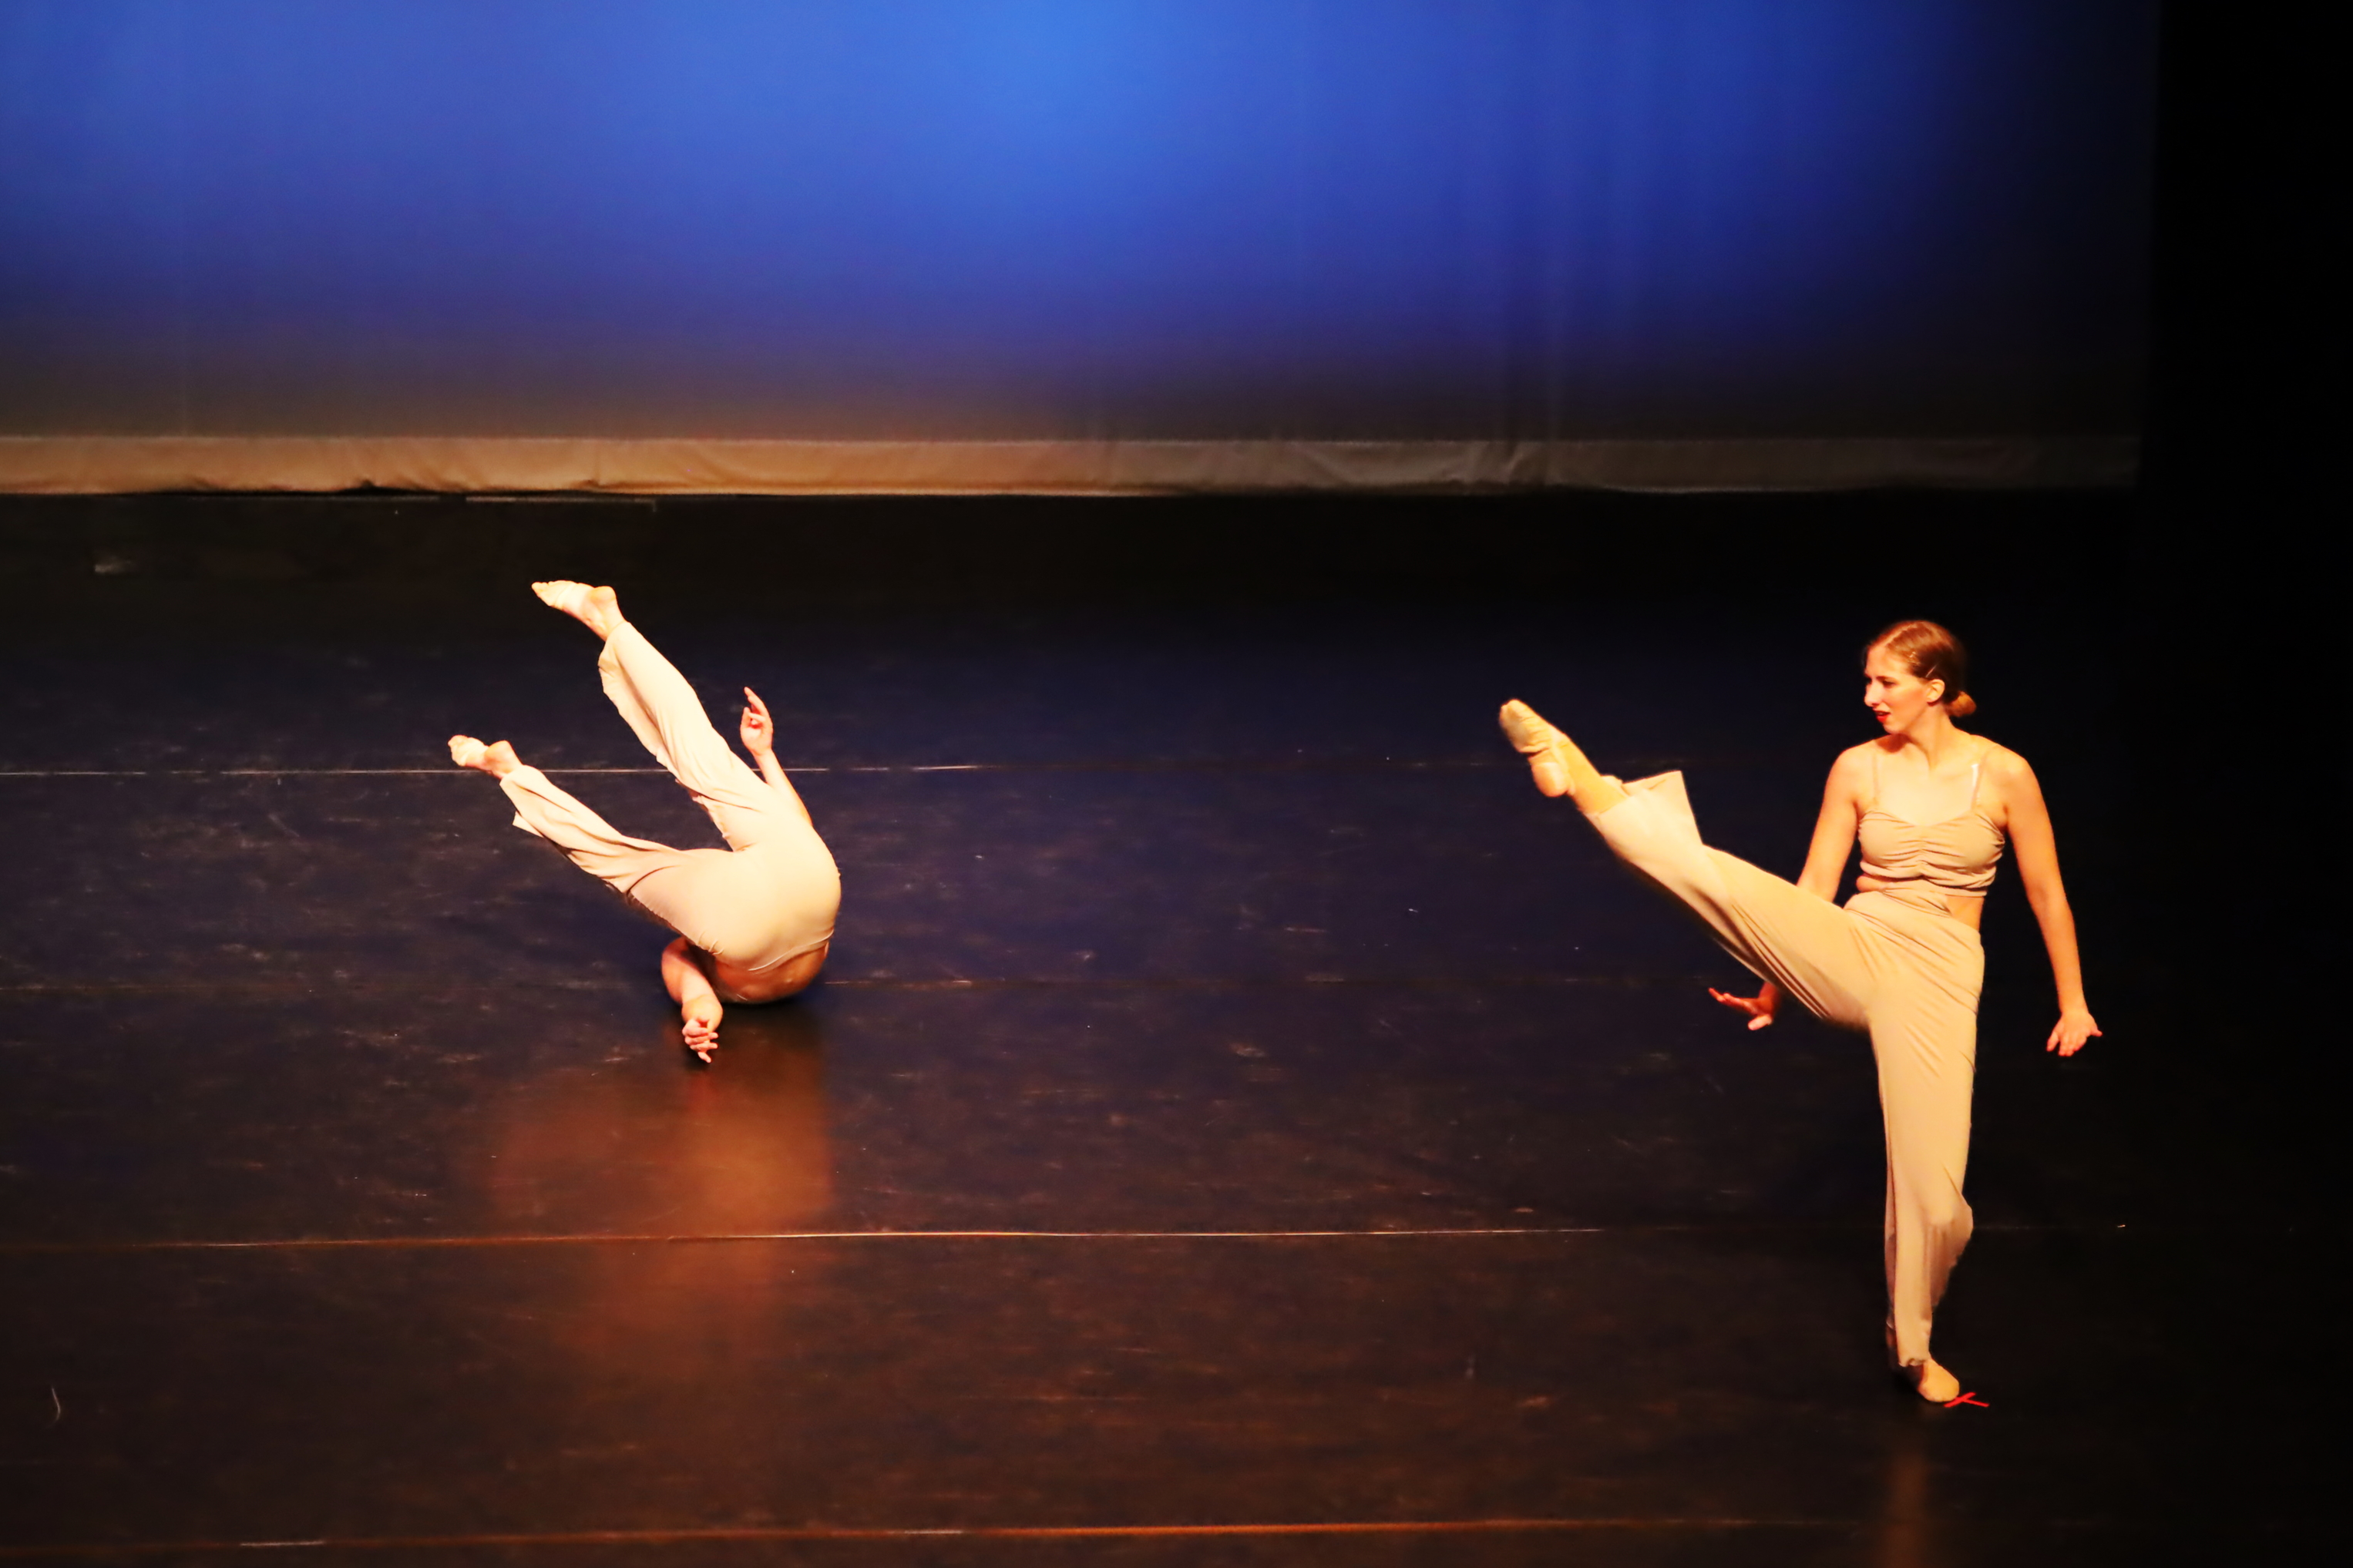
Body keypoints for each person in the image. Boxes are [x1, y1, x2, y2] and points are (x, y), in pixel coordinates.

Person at [1499, 619, 2097, 1403]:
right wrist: (1773, 980)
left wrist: (2072, 1002)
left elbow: (2046, 892)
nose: (1869, 695)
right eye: (1867, 679)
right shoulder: (1856, 766)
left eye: (1885, 681)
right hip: (1857, 941)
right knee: (1717, 878)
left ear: (1935, 688)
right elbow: (1811, 889)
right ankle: (1584, 779)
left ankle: (1912, 1347)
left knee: (1935, 1200)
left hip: (1940, 977)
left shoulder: (2005, 773)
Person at [449, 583, 839, 1063]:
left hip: (817, 883)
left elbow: (801, 828)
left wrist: (764, 756)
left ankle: (614, 624)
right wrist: (698, 1016)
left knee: (702, 751)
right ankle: (507, 770)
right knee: (616, 857)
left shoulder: (714, 949)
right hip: (755, 917)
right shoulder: (703, 953)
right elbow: (697, 992)